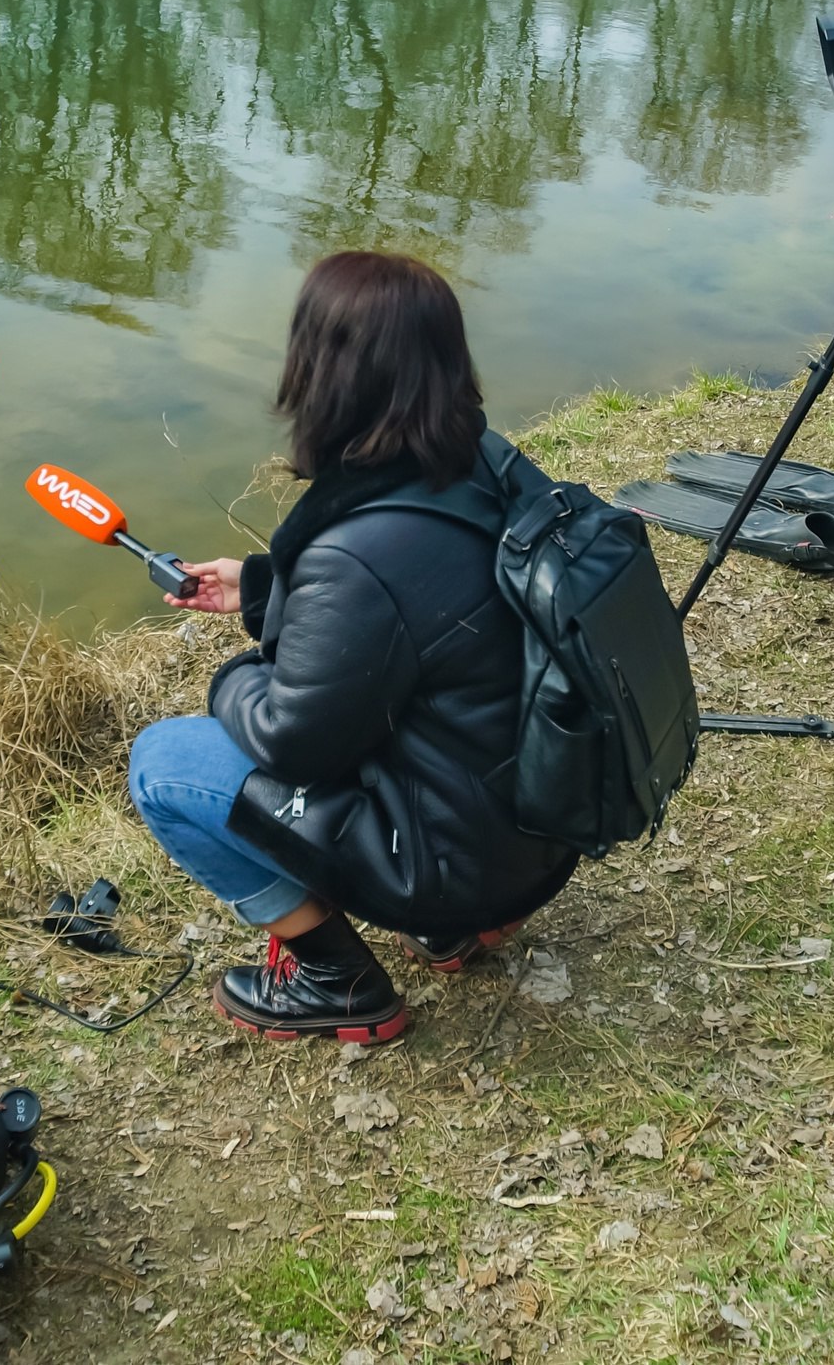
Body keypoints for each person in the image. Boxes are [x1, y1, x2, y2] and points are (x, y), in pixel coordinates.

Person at [125, 251, 574, 1045]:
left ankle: (338, 981)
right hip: (541, 834)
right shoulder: (485, 464)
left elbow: (291, 739)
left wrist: (233, 675)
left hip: (451, 862)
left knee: (165, 764)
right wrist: (263, 590)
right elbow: (424, 617)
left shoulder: (355, 555)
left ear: (323, 370)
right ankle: (454, 930)